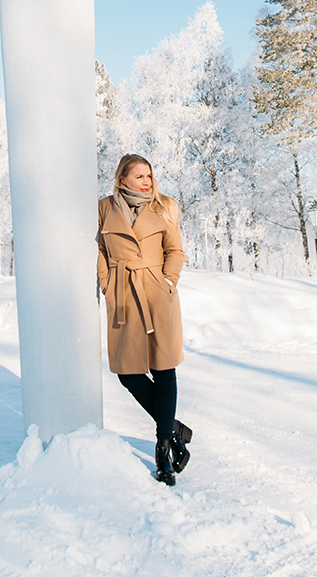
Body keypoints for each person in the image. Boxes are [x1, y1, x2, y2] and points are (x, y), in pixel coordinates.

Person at [97, 153, 194, 485]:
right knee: (128, 373)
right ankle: (174, 427)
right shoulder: (104, 208)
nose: (147, 182)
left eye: (150, 176)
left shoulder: (164, 206)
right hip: (123, 294)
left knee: (164, 369)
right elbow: (97, 248)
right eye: (139, 176)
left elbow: (176, 250)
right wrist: (107, 283)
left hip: (157, 294)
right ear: (122, 178)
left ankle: (164, 447)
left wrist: (167, 282)